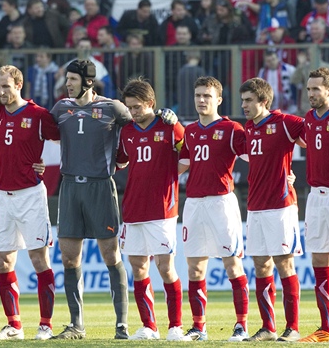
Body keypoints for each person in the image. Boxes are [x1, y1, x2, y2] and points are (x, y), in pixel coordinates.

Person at [48, 59, 132, 340]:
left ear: (87, 81)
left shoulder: (112, 108)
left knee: (111, 255)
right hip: (70, 187)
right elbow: (34, 131)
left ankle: (121, 325)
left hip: (100, 187)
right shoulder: (60, 108)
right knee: (69, 258)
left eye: (72, 79)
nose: (67, 84)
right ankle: (76, 325)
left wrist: (164, 117)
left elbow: (139, 127)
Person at [0, 65, 60, 340]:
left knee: (38, 257)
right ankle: (14, 325)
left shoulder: (38, 115)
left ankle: (45, 324)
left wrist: (42, 165)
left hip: (30, 194)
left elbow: (65, 138)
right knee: (4, 260)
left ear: (19, 85)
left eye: (6, 86)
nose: (1, 92)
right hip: (2, 195)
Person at [178, 76, 250, 342]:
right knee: (195, 267)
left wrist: (286, 173)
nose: (201, 100)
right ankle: (199, 327)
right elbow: (181, 164)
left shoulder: (232, 128)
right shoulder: (190, 131)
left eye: (207, 96)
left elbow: (259, 156)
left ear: (219, 99)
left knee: (233, 264)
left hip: (222, 202)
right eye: (198, 95)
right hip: (194, 203)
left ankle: (241, 325)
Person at [116, 78, 187, 341]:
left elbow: (188, 156)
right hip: (133, 207)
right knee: (138, 267)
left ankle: (175, 326)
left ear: (151, 104)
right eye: (129, 107)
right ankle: (149, 326)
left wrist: (177, 124)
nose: (133, 112)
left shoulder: (169, 127)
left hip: (162, 208)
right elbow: (120, 162)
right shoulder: (127, 132)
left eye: (137, 107)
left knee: (166, 267)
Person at [240, 77, 304, 342]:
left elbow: (319, 137)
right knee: (260, 264)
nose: (244, 105)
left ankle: (293, 327)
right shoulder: (249, 127)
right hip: (255, 206)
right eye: (242, 100)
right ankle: (268, 327)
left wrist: (290, 176)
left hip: (280, 205)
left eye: (249, 101)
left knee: (284, 263)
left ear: (263, 101)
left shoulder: (285, 123)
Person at [297, 67, 329, 343]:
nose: (311, 94)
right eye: (308, 89)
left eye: (316, 89)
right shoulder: (308, 118)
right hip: (316, 195)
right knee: (319, 257)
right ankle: (326, 327)